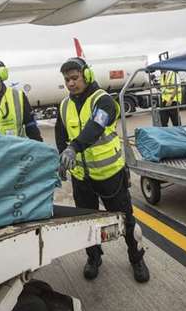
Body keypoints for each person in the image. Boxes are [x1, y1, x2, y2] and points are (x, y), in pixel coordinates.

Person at [55, 57, 150, 283]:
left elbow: (95, 127)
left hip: (109, 175)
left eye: (74, 78)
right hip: (81, 178)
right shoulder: (64, 105)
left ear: (87, 76)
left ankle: (136, 258)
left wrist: (73, 148)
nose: (70, 83)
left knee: (126, 220)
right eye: (67, 80)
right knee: (87, 222)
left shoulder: (104, 101)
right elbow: (61, 135)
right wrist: (62, 157)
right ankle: (94, 258)